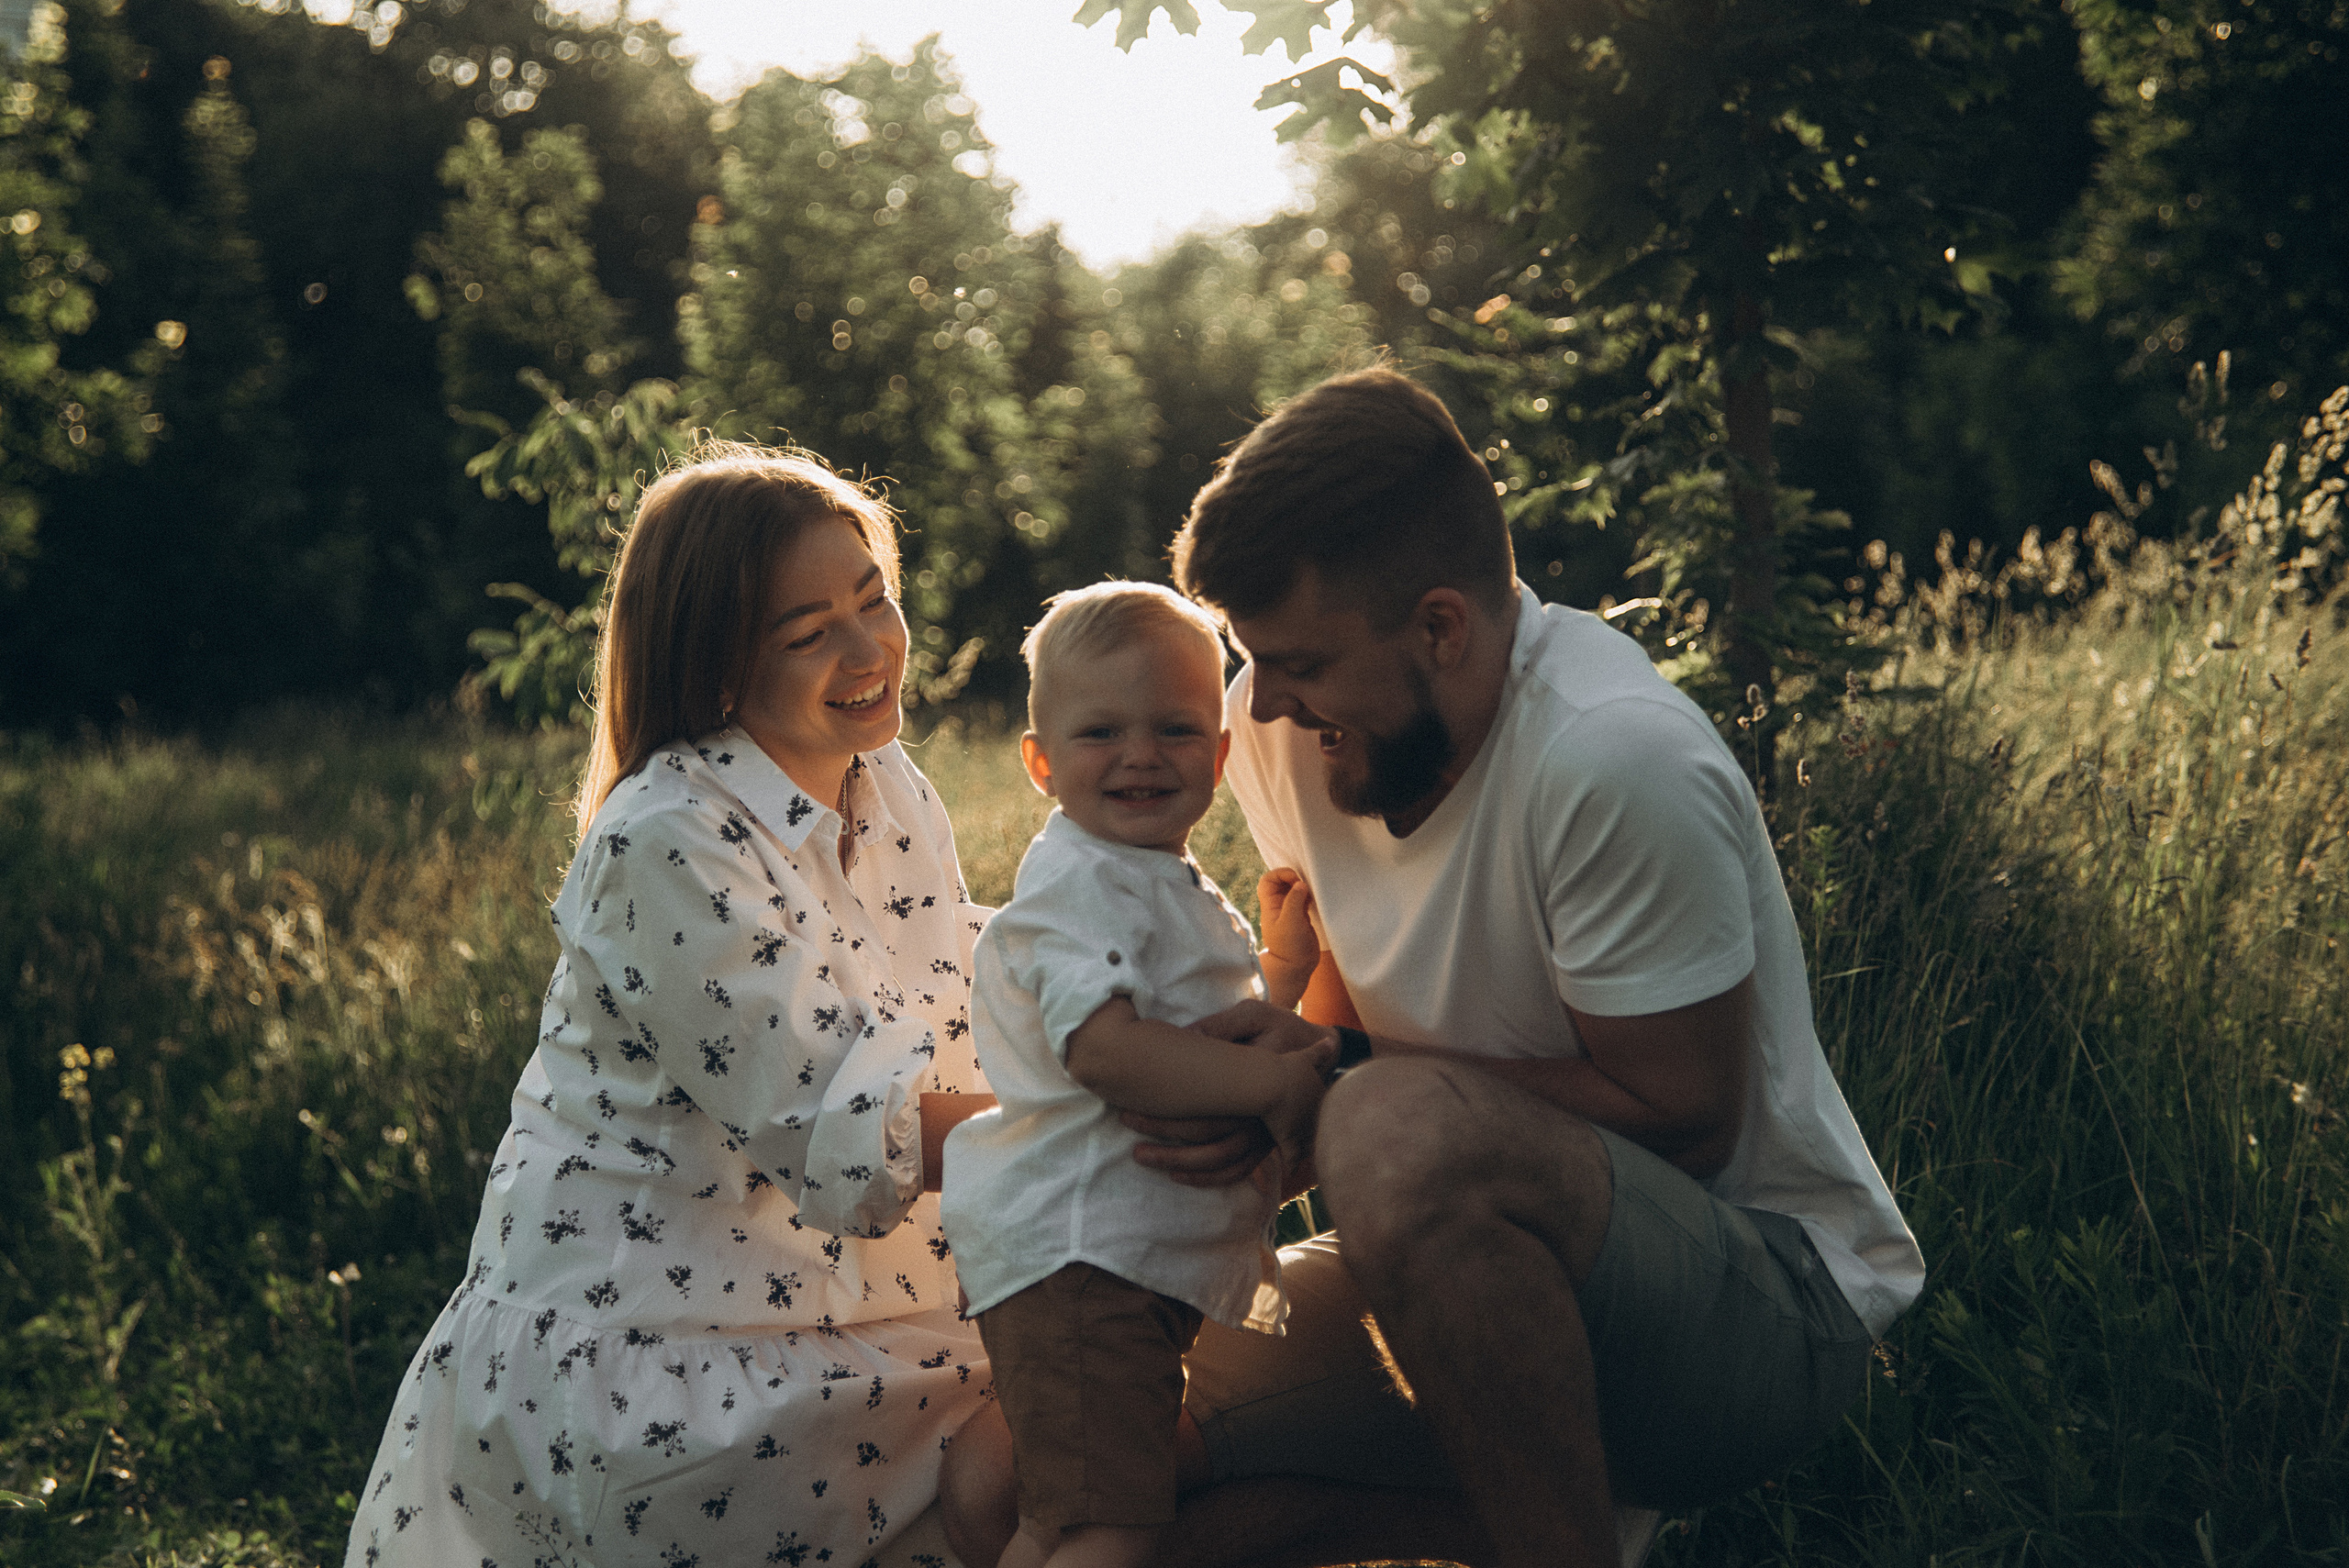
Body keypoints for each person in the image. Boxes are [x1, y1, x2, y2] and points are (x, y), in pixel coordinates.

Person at [943, 368, 1927, 1568]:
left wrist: (1335, 1074)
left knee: (1393, 1126)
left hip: (1748, 1311)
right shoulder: (1286, 723)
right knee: (1033, 1478)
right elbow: (1342, 1007)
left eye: (1299, 660)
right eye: (1256, 659)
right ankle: (1511, 1530)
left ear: (1442, 626)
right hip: (1448, 1257)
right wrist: (1253, 1096)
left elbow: (1689, 1118)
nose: (1266, 698)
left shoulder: (1610, 761)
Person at [345, 444, 1002, 1568]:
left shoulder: (883, 779)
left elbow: (951, 976)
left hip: (850, 1310)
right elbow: (841, 1119)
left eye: (874, 596)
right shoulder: (664, 833)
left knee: (1133, 1437)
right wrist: (1088, 1142)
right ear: (717, 668)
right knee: (1090, 1464)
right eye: (809, 632)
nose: (867, 647)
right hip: (675, 1364)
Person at [939, 583, 1328, 1568]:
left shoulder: (1150, 875)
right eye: (1101, 730)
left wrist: (1281, 974)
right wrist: (1275, 1089)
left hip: (1111, 1259)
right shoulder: (1081, 883)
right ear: (1039, 760)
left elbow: (1197, 1033)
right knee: (1114, 1528)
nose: (1141, 753)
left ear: (1221, 752)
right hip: (1082, 1258)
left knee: (1063, 1518)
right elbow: (1106, 1051)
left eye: (1175, 727)